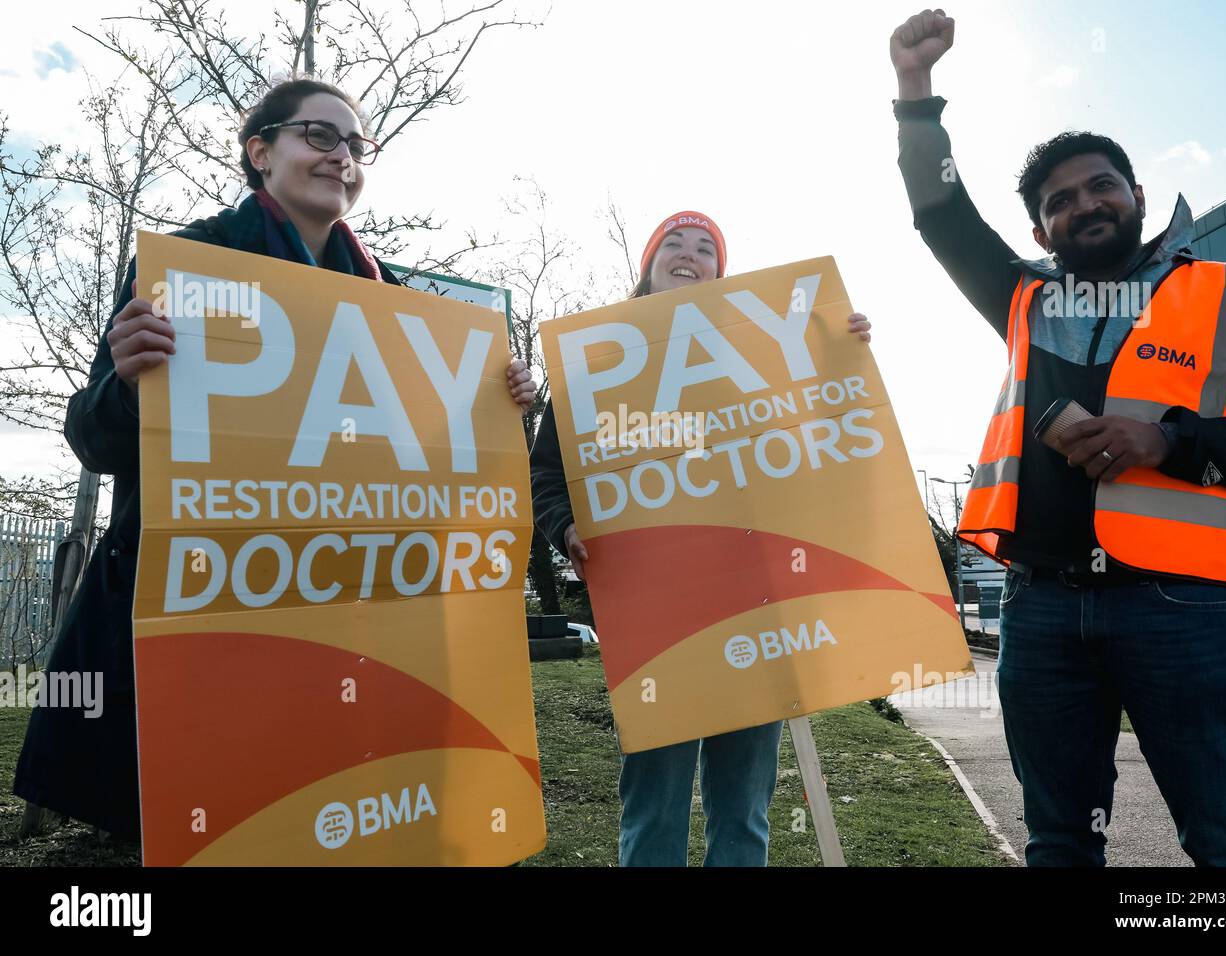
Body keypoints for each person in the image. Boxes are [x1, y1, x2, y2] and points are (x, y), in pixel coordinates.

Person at [13, 77, 537, 839]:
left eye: (357, 145)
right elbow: (91, 437)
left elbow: (441, 465)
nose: (343, 157)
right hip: (213, 610)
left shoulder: (400, 304)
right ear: (261, 151)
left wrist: (500, 401)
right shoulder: (189, 263)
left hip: (349, 616)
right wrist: (125, 384)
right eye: (319, 137)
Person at [889, 9, 1226, 865]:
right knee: (1060, 844)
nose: (1085, 205)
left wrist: (1173, 443)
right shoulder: (1020, 297)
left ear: (1138, 196)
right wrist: (916, 95)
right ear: (1041, 234)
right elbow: (941, 213)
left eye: (1101, 185)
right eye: (1059, 202)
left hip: (1189, 609)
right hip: (1041, 609)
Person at [529, 211, 873, 866]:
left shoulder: (761, 352)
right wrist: (566, 524)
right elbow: (548, 469)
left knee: (742, 806)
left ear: (720, 272)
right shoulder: (596, 358)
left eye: (705, 248)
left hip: (757, 608)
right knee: (654, 802)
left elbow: (821, 432)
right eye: (674, 243)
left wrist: (839, 347)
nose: (689, 254)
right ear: (649, 263)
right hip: (656, 620)